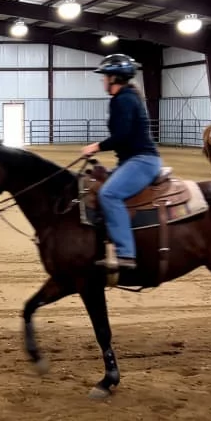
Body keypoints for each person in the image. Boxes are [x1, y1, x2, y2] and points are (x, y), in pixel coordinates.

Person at [81, 54, 162, 271]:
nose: (103, 81)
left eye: (105, 76)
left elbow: (123, 136)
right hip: (132, 161)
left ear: (115, 78)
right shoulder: (124, 98)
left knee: (109, 194)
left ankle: (126, 253)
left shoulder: (124, 100)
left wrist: (95, 146)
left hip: (142, 161)